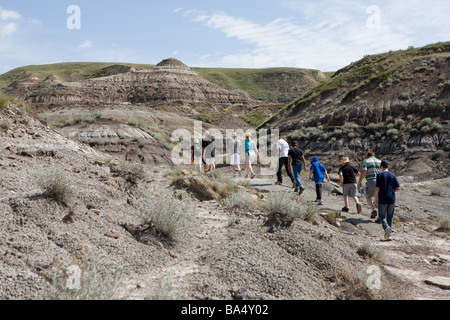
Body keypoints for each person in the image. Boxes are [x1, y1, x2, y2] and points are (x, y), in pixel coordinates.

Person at [375, 160, 401, 241]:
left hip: (382, 198)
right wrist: (392, 191)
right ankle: (389, 235)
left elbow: (377, 188)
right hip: (391, 199)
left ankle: (386, 228)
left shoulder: (379, 175)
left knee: (382, 216)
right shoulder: (393, 176)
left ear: (381, 167)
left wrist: (375, 198)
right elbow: (398, 188)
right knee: (390, 217)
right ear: (388, 167)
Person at [357, 151, 382, 220]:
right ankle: (380, 216)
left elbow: (364, 171)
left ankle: (373, 209)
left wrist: (360, 181)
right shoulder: (379, 161)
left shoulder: (366, 161)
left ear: (368, 156)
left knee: (368, 196)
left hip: (371, 180)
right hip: (380, 181)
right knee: (379, 198)